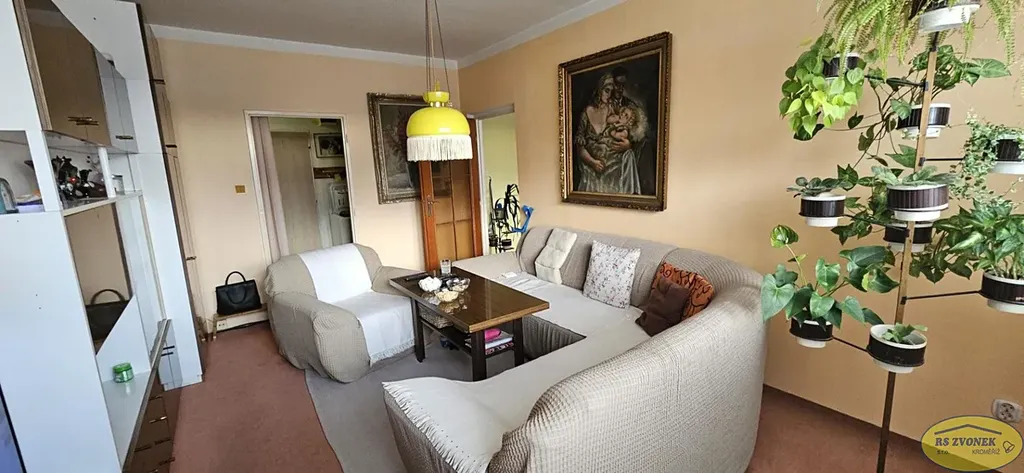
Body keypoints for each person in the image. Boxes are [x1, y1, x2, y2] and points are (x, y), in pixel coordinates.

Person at [574, 72, 646, 195]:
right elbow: (579, 146)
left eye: (611, 92)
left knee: (628, 155)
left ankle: (630, 198)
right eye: (606, 91)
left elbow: (629, 124)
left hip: (611, 158)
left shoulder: (612, 109)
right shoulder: (586, 113)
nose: (609, 95)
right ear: (599, 89)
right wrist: (593, 162)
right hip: (593, 161)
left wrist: (628, 144)